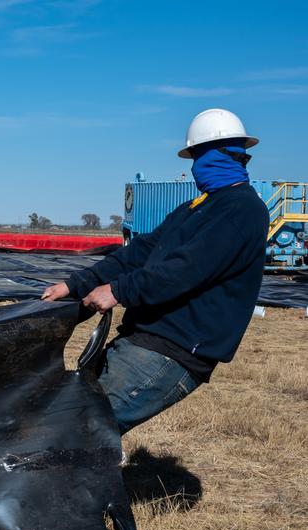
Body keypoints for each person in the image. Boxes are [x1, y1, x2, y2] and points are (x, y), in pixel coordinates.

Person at [42, 108, 269, 434]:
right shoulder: (197, 208)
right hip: (142, 339)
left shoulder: (243, 210)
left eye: (197, 156)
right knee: (72, 419)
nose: (194, 167)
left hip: (173, 351)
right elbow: (137, 254)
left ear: (218, 155)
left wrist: (118, 291)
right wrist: (74, 284)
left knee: (81, 430)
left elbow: (183, 270)